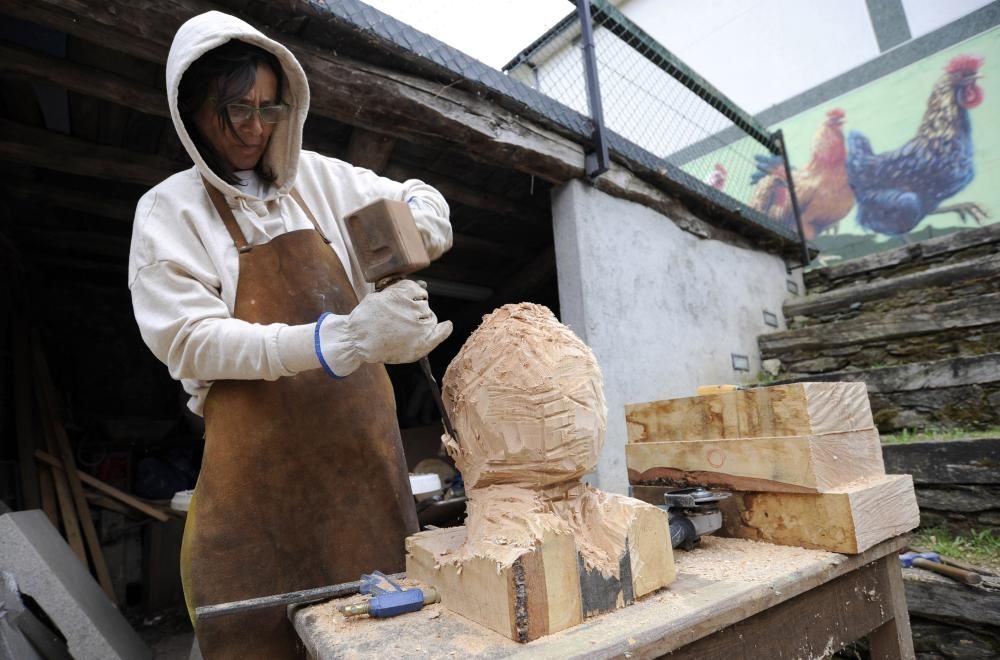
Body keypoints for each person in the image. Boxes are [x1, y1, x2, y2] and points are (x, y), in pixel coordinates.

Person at [127, 11, 452, 658]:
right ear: (192, 109)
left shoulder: (320, 181)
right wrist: (344, 341)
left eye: (267, 107)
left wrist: (417, 232)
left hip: (367, 495)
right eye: (233, 109)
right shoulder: (169, 212)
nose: (252, 127)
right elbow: (191, 340)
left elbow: (422, 195)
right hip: (257, 518)